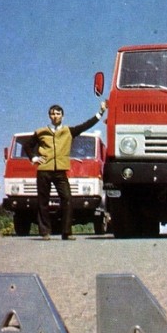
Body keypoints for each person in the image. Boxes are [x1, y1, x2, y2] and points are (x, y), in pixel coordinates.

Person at [25, 101, 107, 240]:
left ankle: (66, 232)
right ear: (49, 116)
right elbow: (27, 145)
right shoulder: (41, 132)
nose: (55, 116)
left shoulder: (68, 131)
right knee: (43, 201)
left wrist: (101, 112)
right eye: (52, 114)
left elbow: (86, 125)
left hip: (60, 171)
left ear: (62, 116)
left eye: (58, 113)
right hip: (44, 170)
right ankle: (45, 232)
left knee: (67, 199)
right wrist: (34, 158)